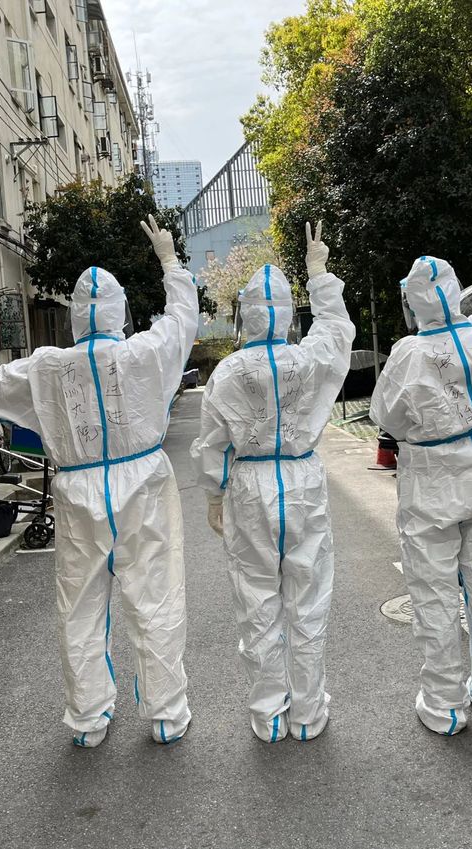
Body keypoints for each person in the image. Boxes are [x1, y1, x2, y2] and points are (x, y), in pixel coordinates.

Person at [0, 216, 199, 747]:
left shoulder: (44, 367)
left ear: (76, 316)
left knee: (80, 608)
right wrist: (170, 263)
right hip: (143, 483)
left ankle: (88, 718)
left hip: (78, 491)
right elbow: (181, 320)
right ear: (120, 310)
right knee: (156, 599)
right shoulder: (144, 353)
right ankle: (166, 715)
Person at [370, 184, 472, 735]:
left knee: (435, 592)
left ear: (413, 303)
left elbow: (386, 416)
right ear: (456, 290)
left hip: (434, 481)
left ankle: (444, 706)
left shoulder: (409, 355)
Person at [190, 222, 355, 743]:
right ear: (287, 314)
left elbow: (213, 442)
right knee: (308, 599)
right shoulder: (309, 359)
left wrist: (214, 495)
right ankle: (308, 713)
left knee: (257, 601)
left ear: (245, 314)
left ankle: (269, 715)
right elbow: (337, 329)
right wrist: (319, 273)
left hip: (250, 484)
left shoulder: (228, 372)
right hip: (302, 479)